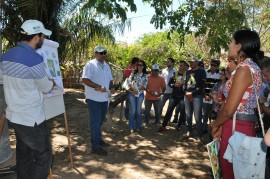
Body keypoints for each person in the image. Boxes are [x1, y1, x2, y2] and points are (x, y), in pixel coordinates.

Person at [1, 19, 55, 179]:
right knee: (44, 156)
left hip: (15, 116)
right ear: (36, 37)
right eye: (43, 36)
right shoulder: (34, 60)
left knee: (23, 155)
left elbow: (2, 79)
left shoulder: (6, 56)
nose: (43, 39)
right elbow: (46, 87)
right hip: (32, 119)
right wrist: (51, 82)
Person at [211, 30, 264, 179]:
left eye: (231, 42)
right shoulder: (250, 68)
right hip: (239, 126)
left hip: (236, 127)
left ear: (239, 46)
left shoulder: (244, 69)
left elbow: (229, 109)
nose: (229, 45)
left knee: (230, 173)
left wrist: (216, 124)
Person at [82, 45, 116, 156]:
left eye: (105, 52)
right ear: (95, 53)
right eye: (101, 53)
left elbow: (110, 80)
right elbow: (85, 80)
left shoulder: (106, 65)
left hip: (104, 98)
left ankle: (99, 139)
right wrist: (98, 86)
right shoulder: (90, 64)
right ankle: (95, 146)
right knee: (95, 122)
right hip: (93, 98)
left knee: (100, 121)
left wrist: (112, 87)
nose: (103, 55)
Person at [159, 60, 189, 132]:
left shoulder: (188, 75)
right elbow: (169, 83)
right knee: (169, 111)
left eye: (181, 65)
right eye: (179, 65)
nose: (179, 66)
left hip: (183, 96)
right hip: (174, 96)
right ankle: (163, 126)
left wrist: (185, 85)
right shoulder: (174, 74)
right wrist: (174, 85)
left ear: (185, 67)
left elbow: (192, 84)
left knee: (182, 111)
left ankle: (178, 125)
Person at [183, 56, 206, 141]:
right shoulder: (188, 72)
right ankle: (189, 131)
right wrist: (185, 92)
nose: (190, 63)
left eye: (192, 62)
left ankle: (199, 136)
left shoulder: (202, 71)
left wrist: (192, 94)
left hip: (197, 96)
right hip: (187, 95)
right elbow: (185, 84)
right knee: (188, 115)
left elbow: (202, 86)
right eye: (190, 62)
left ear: (196, 62)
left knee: (197, 117)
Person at [126, 60, 148, 133]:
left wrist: (137, 90)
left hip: (140, 94)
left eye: (141, 65)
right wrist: (133, 89)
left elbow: (144, 86)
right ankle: (131, 127)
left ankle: (138, 127)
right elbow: (128, 81)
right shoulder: (133, 73)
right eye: (138, 65)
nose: (139, 66)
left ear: (143, 66)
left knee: (138, 111)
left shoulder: (145, 75)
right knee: (133, 110)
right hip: (132, 93)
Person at [202, 59, 220, 133]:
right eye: (211, 64)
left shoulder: (219, 75)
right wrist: (205, 95)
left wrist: (213, 97)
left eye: (214, 65)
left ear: (217, 66)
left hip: (214, 98)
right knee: (205, 113)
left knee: (213, 114)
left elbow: (219, 88)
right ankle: (204, 129)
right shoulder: (205, 72)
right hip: (205, 97)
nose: (212, 66)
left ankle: (213, 129)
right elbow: (202, 85)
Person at [158, 58, 176, 123]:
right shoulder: (163, 71)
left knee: (170, 108)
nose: (167, 63)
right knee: (160, 106)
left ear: (172, 63)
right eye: (167, 61)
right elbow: (161, 80)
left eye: (169, 62)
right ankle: (158, 119)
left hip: (172, 92)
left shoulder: (175, 71)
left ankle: (167, 121)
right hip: (164, 92)